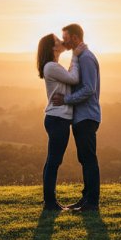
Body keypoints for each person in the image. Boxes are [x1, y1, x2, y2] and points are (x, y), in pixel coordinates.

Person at [49, 23, 101, 212]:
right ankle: (86, 199)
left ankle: (92, 203)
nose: (63, 41)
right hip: (82, 116)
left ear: (75, 38)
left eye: (66, 37)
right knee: (84, 159)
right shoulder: (80, 56)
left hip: (87, 115)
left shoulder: (86, 58)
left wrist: (66, 100)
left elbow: (89, 89)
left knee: (88, 159)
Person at [36, 32, 85, 211]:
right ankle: (50, 203)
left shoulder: (53, 66)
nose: (62, 42)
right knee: (54, 161)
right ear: (52, 47)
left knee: (53, 160)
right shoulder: (51, 66)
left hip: (57, 118)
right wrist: (76, 56)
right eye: (58, 41)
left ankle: (49, 201)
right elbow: (74, 79)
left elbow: (69, 80)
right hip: (57, 119)